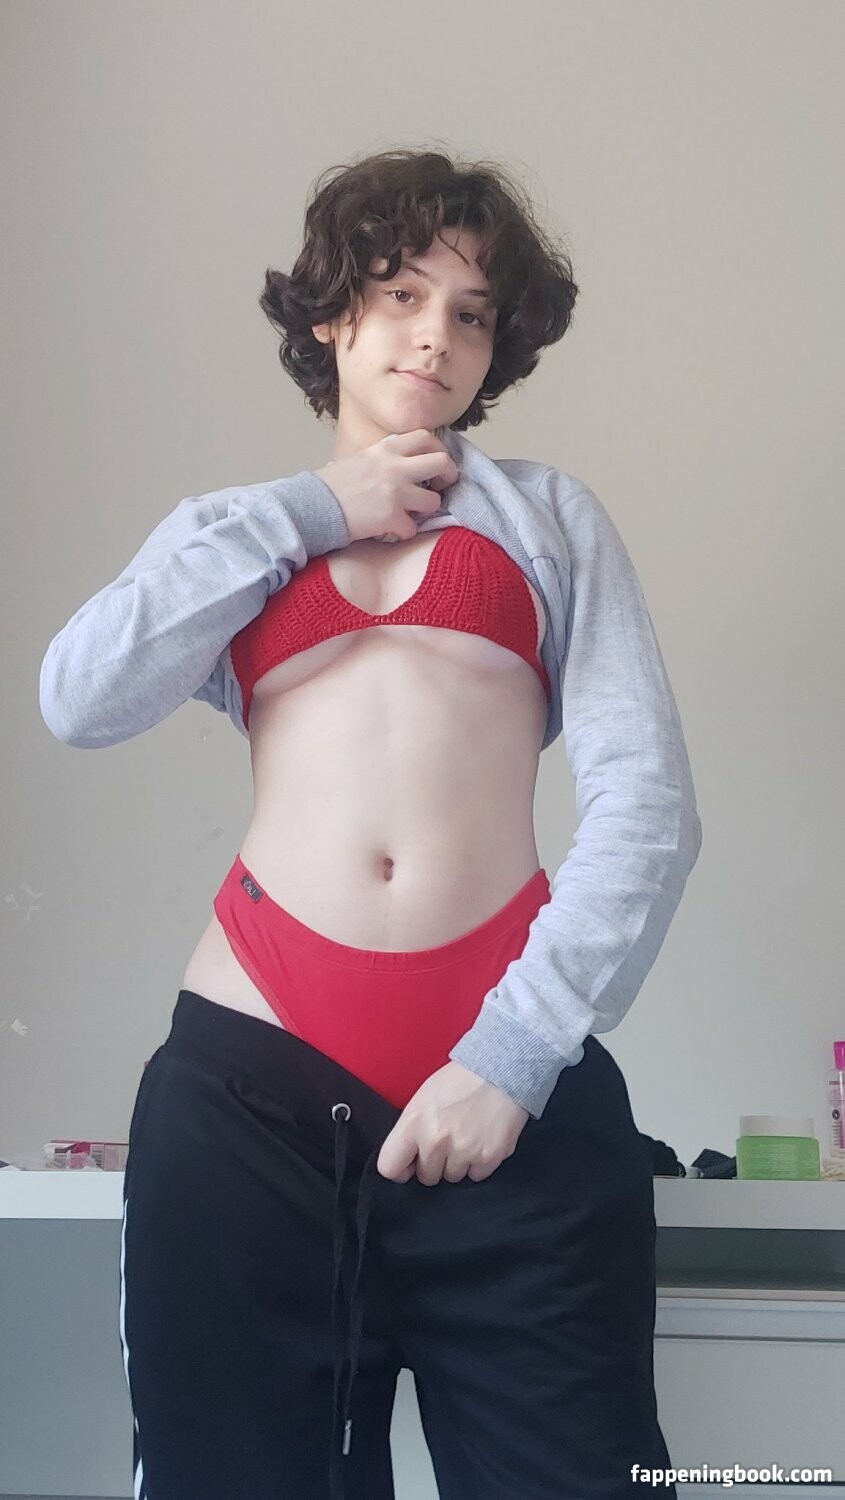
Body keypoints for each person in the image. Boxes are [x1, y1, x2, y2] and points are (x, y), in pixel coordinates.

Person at [41, 147, 701, 1498]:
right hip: (249, 1102)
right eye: (403, 294)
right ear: (335, 313)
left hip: (508, 1090)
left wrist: (513, 1057)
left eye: (472, 313)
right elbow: (81, 696)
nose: (436, 335)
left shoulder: (548, 518)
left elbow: (648, 806)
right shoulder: (236, 532)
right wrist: (311, 510)